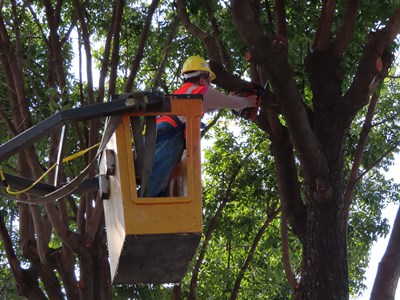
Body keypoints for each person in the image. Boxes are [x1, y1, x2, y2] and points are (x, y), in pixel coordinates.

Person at [145, 55, 258, 197]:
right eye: (209, 81)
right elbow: (222, 101)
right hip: (169, 136)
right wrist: (248, 102)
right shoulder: (199, 91)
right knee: (154, 185)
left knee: (159, 183)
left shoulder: (186, 93)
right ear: (202, 79)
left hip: (160, 135)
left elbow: (216, 104)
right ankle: (139, 209)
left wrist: (230, 98)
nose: (210, 85)